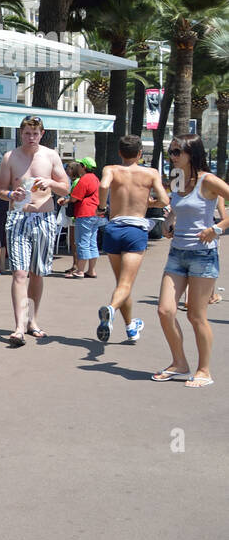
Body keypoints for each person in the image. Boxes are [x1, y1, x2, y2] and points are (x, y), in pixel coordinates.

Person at [153, 133, 229, 388]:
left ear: (192, 154)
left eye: (177, 152)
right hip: (177, 252)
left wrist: (217, 229)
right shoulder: (177, 179)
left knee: (196, 316)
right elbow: (175, 208)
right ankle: (179, 363)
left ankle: (204, 370)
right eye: (171, 151)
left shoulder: (208, 181)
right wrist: (168, 222)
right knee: (165, 310)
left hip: (202, 255)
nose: (172, 156)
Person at [0, 116, 71, 346]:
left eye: (35, 133)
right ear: (21, 133)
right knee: (19, 273)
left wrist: (51, 184)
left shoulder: (50, 156)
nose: (31, 137)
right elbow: (0, 190)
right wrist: (11, 194)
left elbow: (66, 187)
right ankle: (18, 326)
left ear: (42, 133)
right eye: (27, 133)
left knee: (37, 272)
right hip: (18, 217)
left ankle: (32, 321)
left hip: (44, 218)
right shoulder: (10, 157)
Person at [96, 135, 167, 344]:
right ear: (139, 154)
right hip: (135, 229)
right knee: (125, 284)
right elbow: (164, 200)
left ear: (120, 152)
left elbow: (103, 186)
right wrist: (149, 203)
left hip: (114, 228)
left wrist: (102, 207)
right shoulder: (150, 173)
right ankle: (111, 309)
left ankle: (130, 328)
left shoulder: (111, 169)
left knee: (122, 284)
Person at [66, 157, 102, 278]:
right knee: (92, 242)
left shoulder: (84, 179)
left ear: (84, 167)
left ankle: (80, 270)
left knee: (82, 241)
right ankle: (91, 270)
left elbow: (74, 198)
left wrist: (65, 200)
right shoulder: (96, 179)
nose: (79, 167)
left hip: (84, 212)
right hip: (95, 213)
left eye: (80, 165)